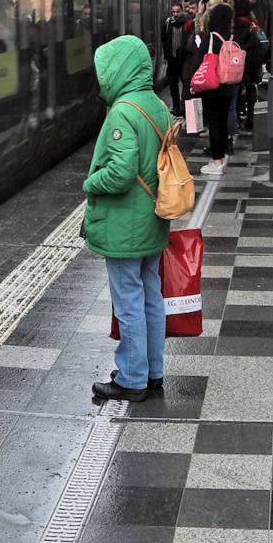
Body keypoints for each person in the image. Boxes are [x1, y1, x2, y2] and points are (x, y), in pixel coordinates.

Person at [82, 35, 171, 402]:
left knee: (128, 301)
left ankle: (132, 379)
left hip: (124, 224)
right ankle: (153, 371)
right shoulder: (155, 104)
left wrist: (91, 182)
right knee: (151, 295)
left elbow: (120, 172)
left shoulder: (122, 111)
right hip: (151, 218)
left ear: (118, 69)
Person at [195, 1, 236, 176]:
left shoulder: (211, 38)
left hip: (212, 86)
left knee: (214, 123)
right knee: (222, 121)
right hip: (229, 85)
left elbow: (198, 62)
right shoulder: (231, 37)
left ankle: (217, 160)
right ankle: (222, 155)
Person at [232, 0, 262, 131]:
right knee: (251, 94)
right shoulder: (253, 23)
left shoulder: (238, 25)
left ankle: (238, 120)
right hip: (254, 65)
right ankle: (251, 119)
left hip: (241, 67)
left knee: (238, 96)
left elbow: (237, 45)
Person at [160, 0, 190, 116]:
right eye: (173, 12)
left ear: (182, 11)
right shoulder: (168, 23)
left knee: (185, 83)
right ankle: (176, 106)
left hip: (183, 59)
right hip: (172, 59)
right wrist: (167, 52)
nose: (175, 15)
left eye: (177, 12)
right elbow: (164, 37)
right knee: (173, 84)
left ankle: (183, 107)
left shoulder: (187, 22)